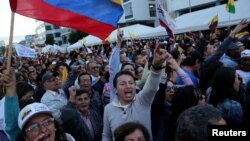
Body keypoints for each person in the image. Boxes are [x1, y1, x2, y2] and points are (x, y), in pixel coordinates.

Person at [102, 28, 170, 140]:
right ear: (115, 90)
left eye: (131, 83)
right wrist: (118, 43)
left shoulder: (142, 100)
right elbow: (106, 136)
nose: (128, 86)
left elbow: (152, 85)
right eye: (123, 84)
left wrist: (156, 66)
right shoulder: (109, 109)